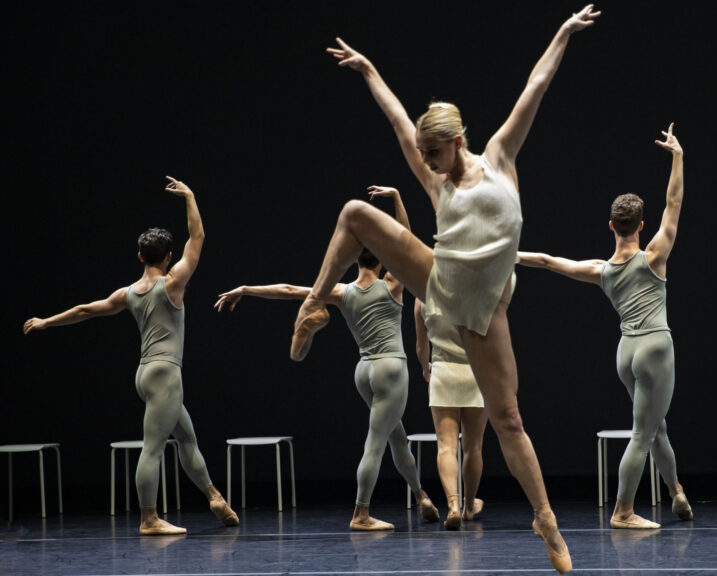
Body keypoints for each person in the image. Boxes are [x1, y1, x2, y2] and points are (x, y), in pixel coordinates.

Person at [290, 6, 600, 572]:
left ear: (459, 140)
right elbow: (396, 119)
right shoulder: (436, 182)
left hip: (483, 309)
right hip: (438, 279)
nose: (425, 162)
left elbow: (536, 85)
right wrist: (367, 71)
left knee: (508, 420)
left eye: (433, 152)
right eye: (423, 154)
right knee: (356, 212)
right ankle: (313, 305)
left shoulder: (501, 158)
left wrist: (562, 32)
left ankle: (545, 518)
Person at [215, 186, 439, 531]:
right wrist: (396, 199)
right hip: (391, 368)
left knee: (397, 436)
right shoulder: (393, 283)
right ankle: (360, 513)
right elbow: (403, 239)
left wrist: (246, 289)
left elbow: (291, 291)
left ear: (356, 259)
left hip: (363, 371)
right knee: (376, 442)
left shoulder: (340, 291)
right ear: (381, 257)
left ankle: (420, 494)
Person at [24, 177, 238, 535]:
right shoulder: (173, 283)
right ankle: (148, 519)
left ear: (140, 256)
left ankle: (214, 495)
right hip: (165, 374)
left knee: (186, 438)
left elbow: (85, 310)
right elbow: (197, 239)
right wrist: (190, 197)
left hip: (145, 374)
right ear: (168, 257)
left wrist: (47, 321)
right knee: (153, 448)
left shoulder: (128, 294)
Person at [517, 123, 692, 530]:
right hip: (654, 348)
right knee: (642, 433)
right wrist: (678, 157)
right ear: (641, 226)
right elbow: (674, 202)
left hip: (625, 352)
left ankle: (675, 490)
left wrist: (506, 252)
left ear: (611, 225)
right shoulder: (654, 256)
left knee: (655, 424)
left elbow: (545, 260)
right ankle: (623, 511)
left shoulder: (601, 271)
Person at [414, 297, 488, 530]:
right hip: (476, 373)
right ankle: (467, 508)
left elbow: (420, 346)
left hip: (443, 373)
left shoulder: (421, 296)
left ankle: (453, 505)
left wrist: (426, 368)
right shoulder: (476, 291)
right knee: (473, 447)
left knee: (446, 446)